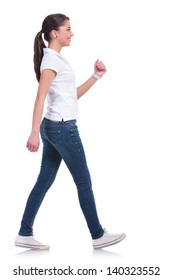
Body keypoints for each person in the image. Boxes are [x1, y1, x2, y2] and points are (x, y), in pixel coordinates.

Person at [15, 13, 126, 250]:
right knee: (83, 181)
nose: (72, 33)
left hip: (55, 127)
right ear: (55, 33)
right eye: (68, 29)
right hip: (63, 129)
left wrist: (95, 77)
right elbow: (39, 96)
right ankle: (98, 235)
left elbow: (70, 96)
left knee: (44, 181)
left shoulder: (55, 59)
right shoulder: (51, 62)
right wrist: (33, 132)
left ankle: (24, 232)